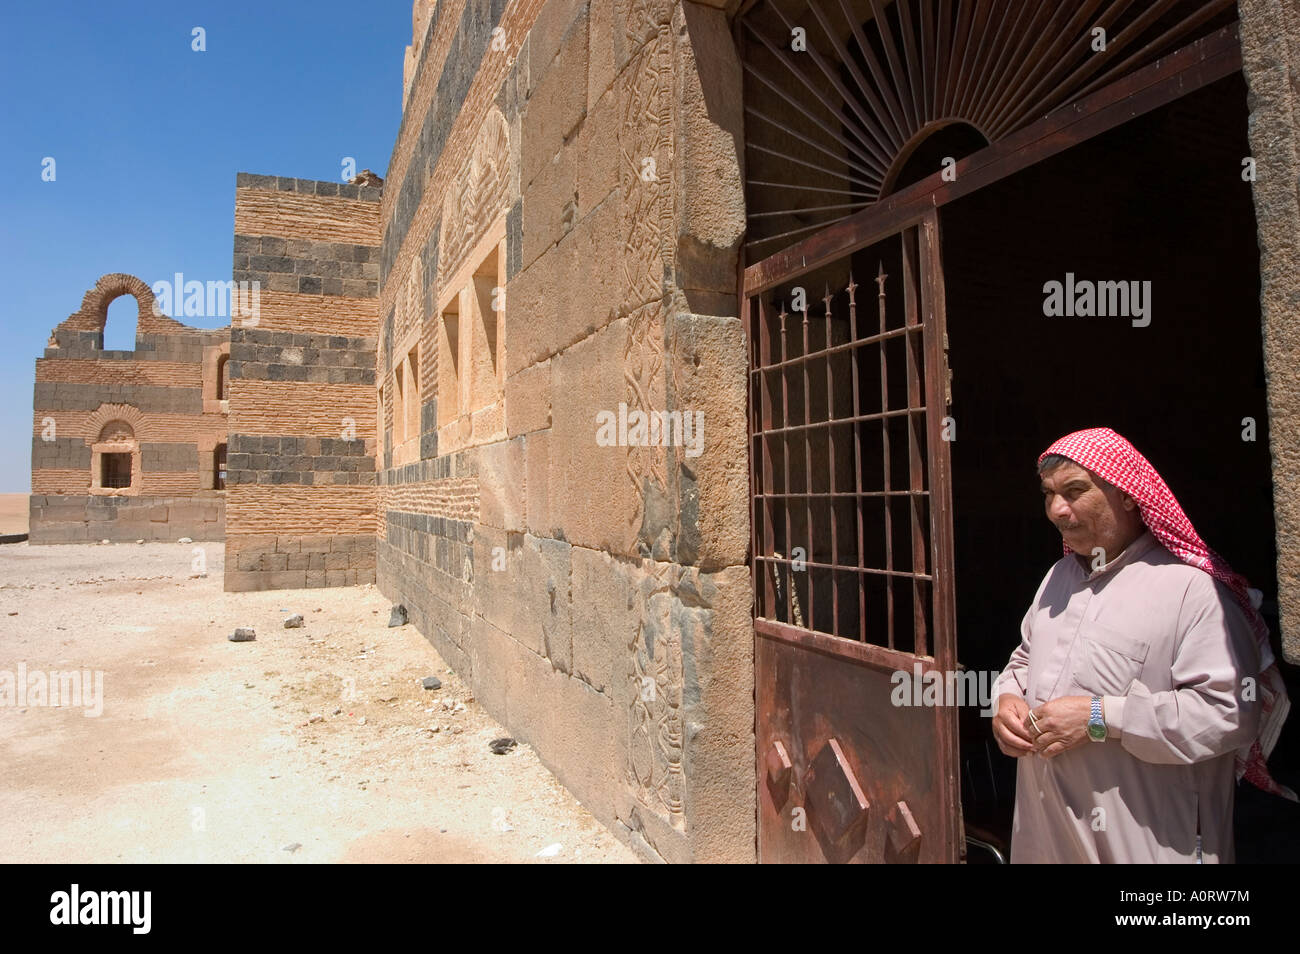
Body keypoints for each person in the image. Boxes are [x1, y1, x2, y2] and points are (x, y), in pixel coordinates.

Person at [991, 427, 1293, 863]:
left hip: (1149, 844)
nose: (1057, 509)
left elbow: (1231, 713)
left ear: (1129, 495)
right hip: (1047, 838)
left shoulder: (1192, 591)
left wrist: (1100, 717)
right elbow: (1024, 659)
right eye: (1048, 494)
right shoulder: (1058, 578)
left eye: (1075, 491)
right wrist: (1006, 700)